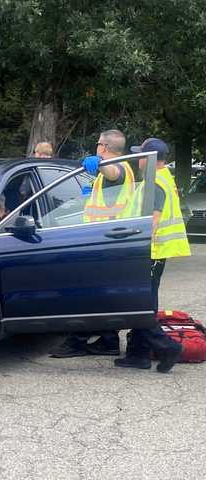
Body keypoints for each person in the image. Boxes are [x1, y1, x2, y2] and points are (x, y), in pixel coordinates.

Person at [49, 129, 134, 358]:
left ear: (103, 147)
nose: (96, 147)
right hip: (107, 240)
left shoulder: (117, 168)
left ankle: (77, 340)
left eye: (98, 144)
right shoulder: (119, 170)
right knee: (103, 294)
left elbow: (112, 173)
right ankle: (108, 340)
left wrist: (101, 163)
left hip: (103, 242)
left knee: (84, 293)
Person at [113, 138, 190, 373]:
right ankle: (138, 354)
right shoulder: (162, 178)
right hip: (154, 252)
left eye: (141, 156)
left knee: (138, 303)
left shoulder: (154, 182)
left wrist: (136, 246)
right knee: (144, 302)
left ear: (151, 159)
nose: (138, 159)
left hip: (149, 252)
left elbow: (153, 220)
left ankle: (167, 347)